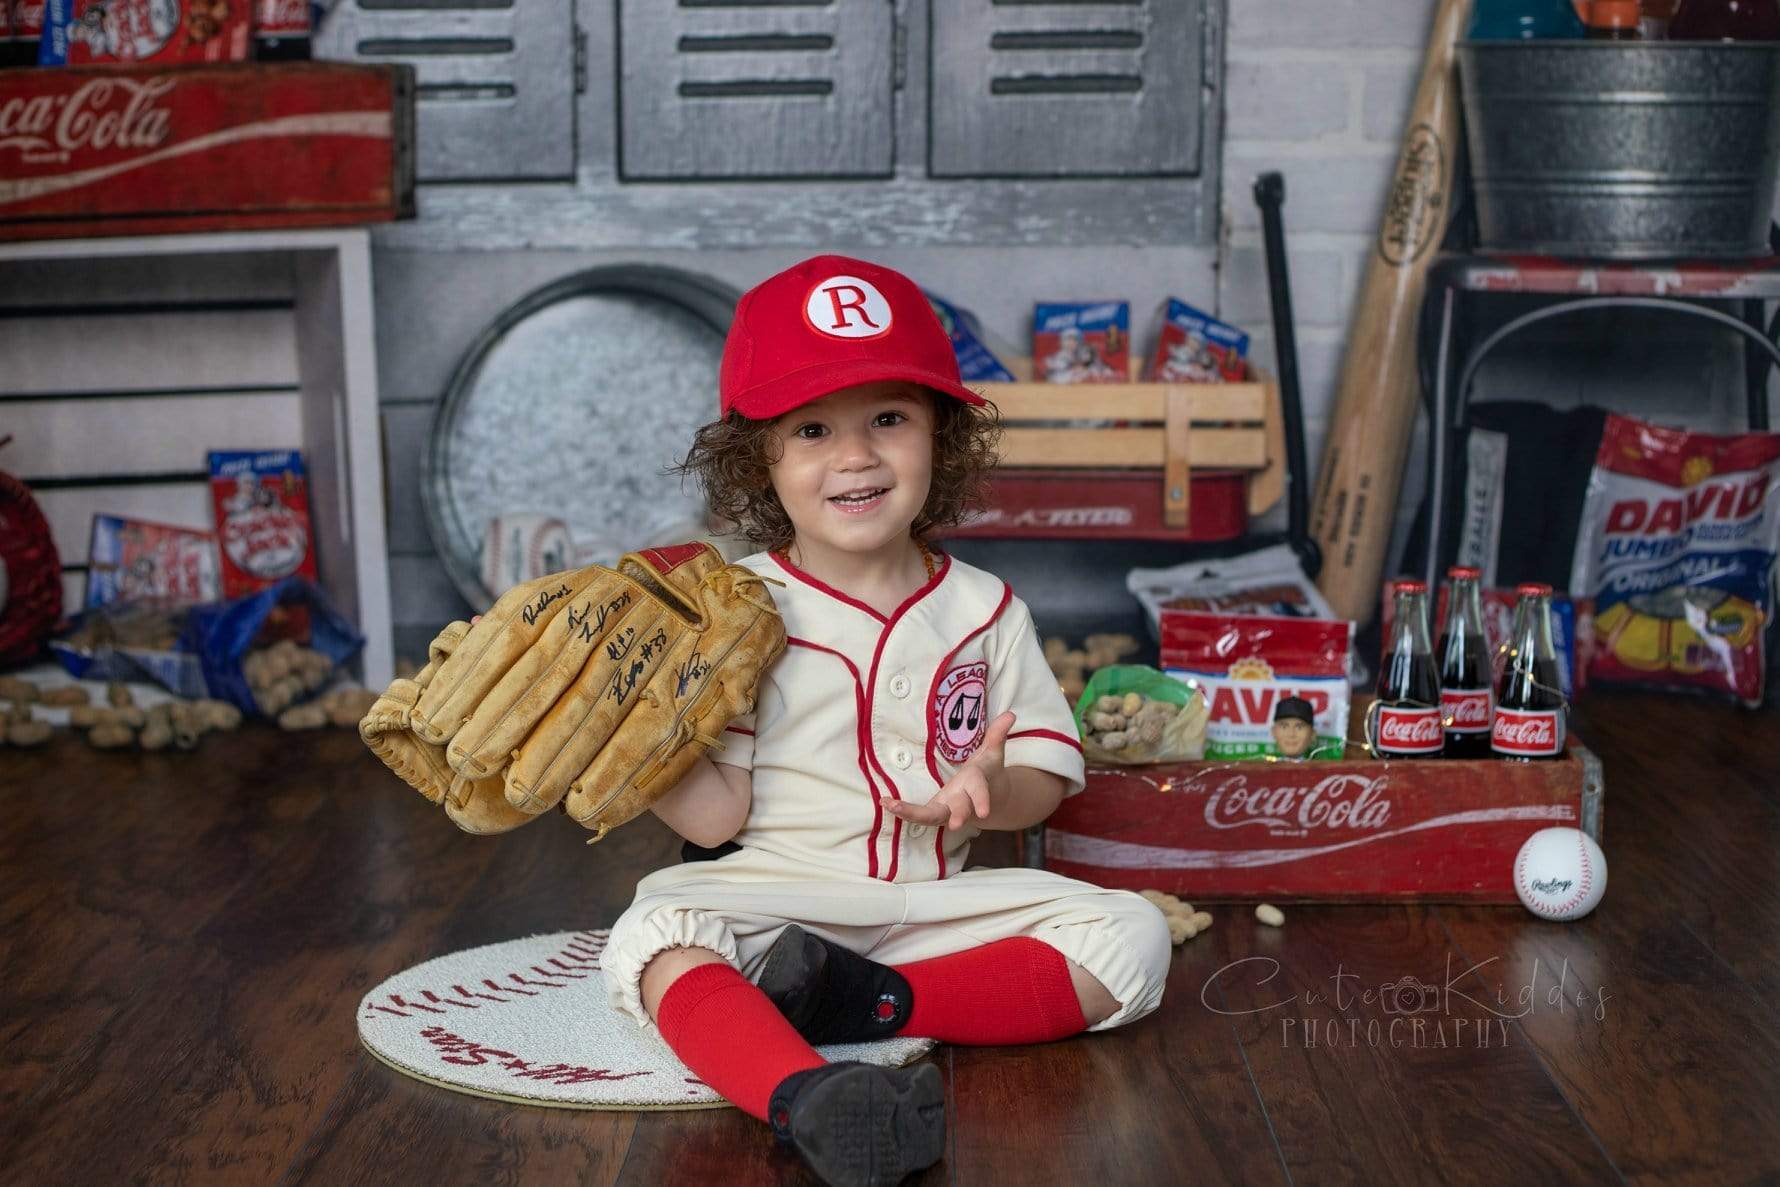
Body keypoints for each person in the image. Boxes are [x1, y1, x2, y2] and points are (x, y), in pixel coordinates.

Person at [601, 255, 1172, 1187]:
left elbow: (1036, 789)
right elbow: (714, 821)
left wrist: (988, 796)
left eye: (889, 419)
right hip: (781, 896)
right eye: (813, 428)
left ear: (940, 438)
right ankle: (808, 1095)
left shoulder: (987, 609)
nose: (856, 455)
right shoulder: (739, 610)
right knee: (656, 935)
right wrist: (633, 739)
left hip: (937, 906)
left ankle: (869, 1004)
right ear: (759, 459)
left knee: (1133, 937)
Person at [1270, 695, 1318, 761]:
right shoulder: (1261, 769)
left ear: (1313, 734)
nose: (1291, 734)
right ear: (1273, 731)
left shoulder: (1324, 770)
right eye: (1284, 727)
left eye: (1299, 727)